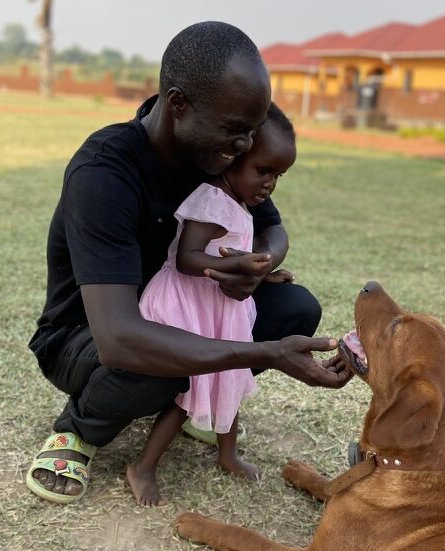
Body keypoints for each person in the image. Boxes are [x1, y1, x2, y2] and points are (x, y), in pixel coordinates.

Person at [25, 21, 352, 505]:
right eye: (236, 130)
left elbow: (273, 229)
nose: (245, 145)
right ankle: (77, 430)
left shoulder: (214, 156)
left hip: (174, 315)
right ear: (178, 104)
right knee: (158, 357)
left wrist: (260, 263)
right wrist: (265, 354)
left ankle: (192, 400)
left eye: (251, 131)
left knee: (293, 308)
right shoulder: (105, 173)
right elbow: (119, 340)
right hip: (85, 336)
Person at [127, 104, 297, 506]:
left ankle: (227, 454)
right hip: (188, 304)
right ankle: (144, 467)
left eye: (278, 175)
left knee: (229, 377)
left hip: (216, 306)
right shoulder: (212, 200)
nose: (270, 183)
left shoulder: (240, 201)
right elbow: (186, 257)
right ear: (233, 158)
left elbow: (230, 251)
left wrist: (261, 272)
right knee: (188, 390)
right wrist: (235, 263)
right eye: (263, 170)